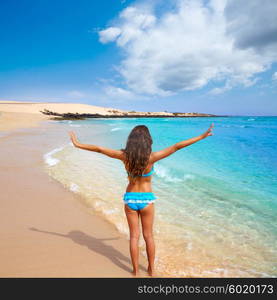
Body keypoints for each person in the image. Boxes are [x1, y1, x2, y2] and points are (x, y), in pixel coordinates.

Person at [68, 123, 214, 276]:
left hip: (130, 199)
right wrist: (202, 136)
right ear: (147, 141)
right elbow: (177, 146)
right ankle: (151, 269)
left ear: (131, 140)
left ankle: (135, 270)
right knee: (148, 236)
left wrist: (77, 144)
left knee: (134, 237)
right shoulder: (151, 157)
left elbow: (99, 149)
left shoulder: (124, 156)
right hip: (146, 200)